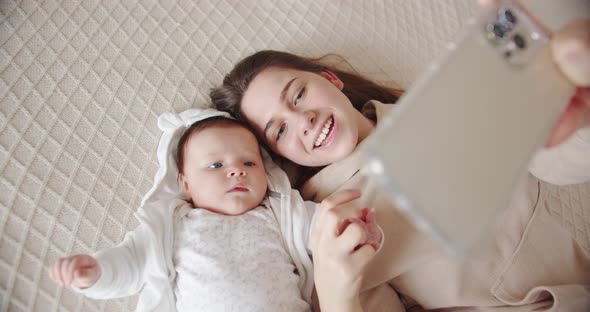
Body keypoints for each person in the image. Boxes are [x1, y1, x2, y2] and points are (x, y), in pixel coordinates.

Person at [210, 18, 590, 311]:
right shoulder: (329, 225)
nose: (303, 120)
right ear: (281, 156)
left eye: (298, 94)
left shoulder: (441, 107)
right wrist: (335, 294)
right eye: (279, 131)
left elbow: (555, 161)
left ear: (331, 80)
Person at [49, 109, 382, 312]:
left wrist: (360, 231)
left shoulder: (281, 215)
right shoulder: (171, 227)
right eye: (215, 165)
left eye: (249, 162)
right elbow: (131, 264)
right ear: (186, 184)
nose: (236, 171)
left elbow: (329, 232)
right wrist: (95, 273)